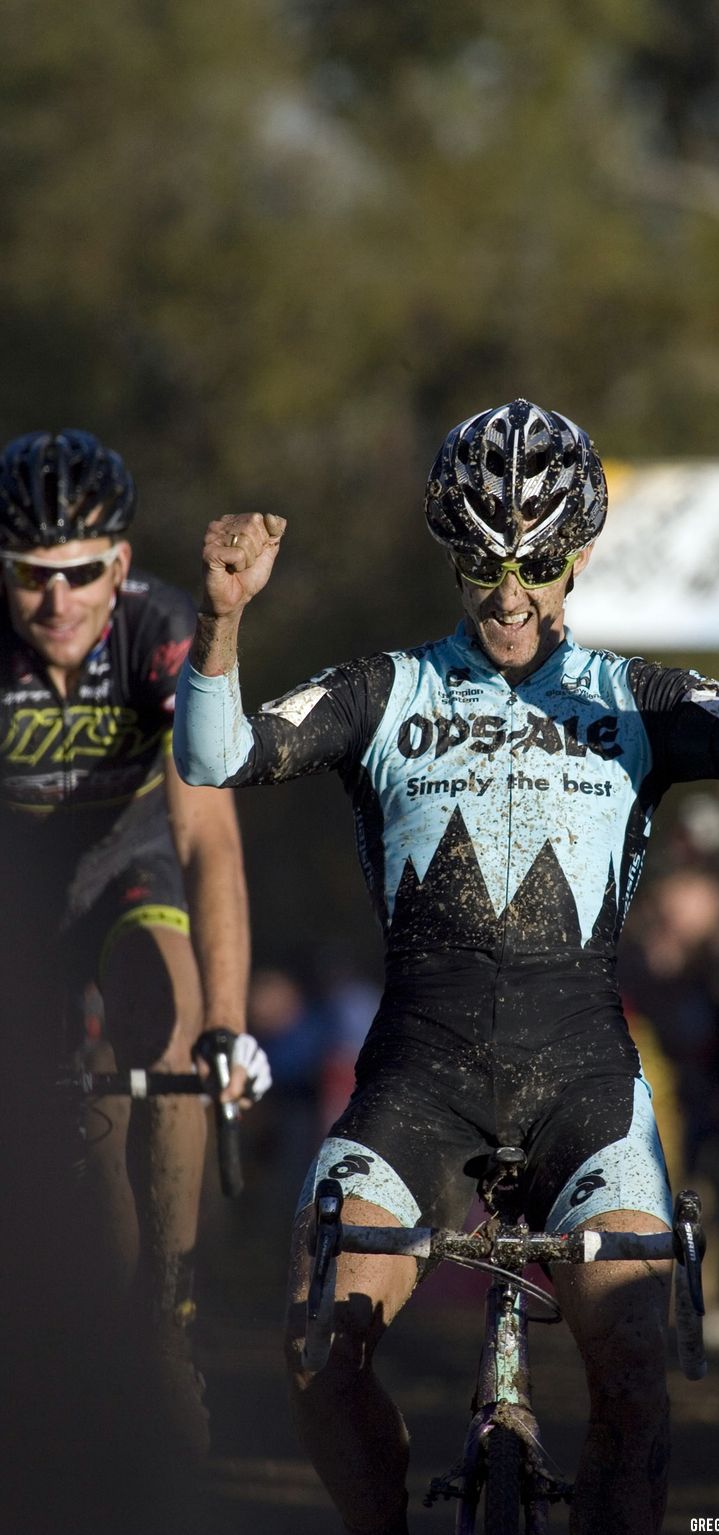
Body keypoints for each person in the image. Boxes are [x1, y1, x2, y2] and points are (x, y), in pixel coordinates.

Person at [173, 398, 719, 1534]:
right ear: (454, 556)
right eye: (482, 560)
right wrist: (221, 620)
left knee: (632, 1373)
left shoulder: (630, 695)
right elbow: (216, 753)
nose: (509, 590)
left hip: (587, 1084)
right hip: (415, 1085)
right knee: (318, 1345)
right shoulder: (390, 689)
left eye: (536, 560)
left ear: (576, 554)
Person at [0, 429, 271, 1452]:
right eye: (31, 575)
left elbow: (210, 842)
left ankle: (169, 1309)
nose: (57, 601)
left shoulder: (159, 632)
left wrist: (230, 1025)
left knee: (167, 1023)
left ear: (119, 563)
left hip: (131, 870)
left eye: (80, 572)